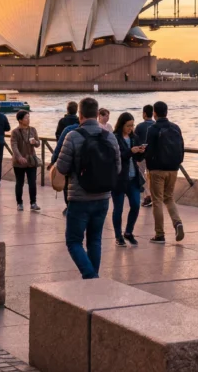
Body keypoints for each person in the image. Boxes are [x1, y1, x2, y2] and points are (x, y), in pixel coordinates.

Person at [55, 97, 120, 278]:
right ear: (97, 113)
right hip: (103, 197)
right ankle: (93, 282)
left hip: (79, 198)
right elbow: (118, 168)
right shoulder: (109, 136)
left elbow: (61, 168)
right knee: (95, 241)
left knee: (74, 241)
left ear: (80, 115)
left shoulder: (73, 136)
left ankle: (91, 276)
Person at [144, 101, 185, 244]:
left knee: (157, 201)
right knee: (169, 197)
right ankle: (177, 222)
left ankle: (160, 234)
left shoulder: (153, 129)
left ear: (154, 113)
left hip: (157, 170)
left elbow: (148, 151)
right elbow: (182, 147)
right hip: (173, 169)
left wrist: (148, 166)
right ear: (166, 112)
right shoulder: (175, 128)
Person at [112, 112, 145, 247]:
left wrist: (141, 152)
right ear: (121, 125)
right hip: (119, 179)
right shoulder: (114, 138)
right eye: (128, 126)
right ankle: (118, 235)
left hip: (133, 178)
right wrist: (131, 151)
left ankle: (129, 232)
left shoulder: (134, 138)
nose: (130, 128)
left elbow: (137, 158)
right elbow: (118, 157)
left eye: (132, 125)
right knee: (118, 209)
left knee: (136, 205)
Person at [10, 110, 39, 211]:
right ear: (20, 120)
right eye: (26, 118)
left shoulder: (33, 130)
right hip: (19, 162)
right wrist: (19, 157)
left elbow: (38, 144)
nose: (28, 119)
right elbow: (13, 146)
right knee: (19, 182)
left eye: (29, 117)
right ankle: (19, 203)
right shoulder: (15, 132)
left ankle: (33, 202)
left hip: (31, 160)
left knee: (32, 182)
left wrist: (35, 142)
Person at [135, 104, 155, 208]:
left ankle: (147, 195)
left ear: (144, 114)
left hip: (141, 155)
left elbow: (135, 141)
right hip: (153, 156)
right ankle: (152, 195)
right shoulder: (155, 125)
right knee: (150, 175)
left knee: (141, 175)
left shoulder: (139, 126)